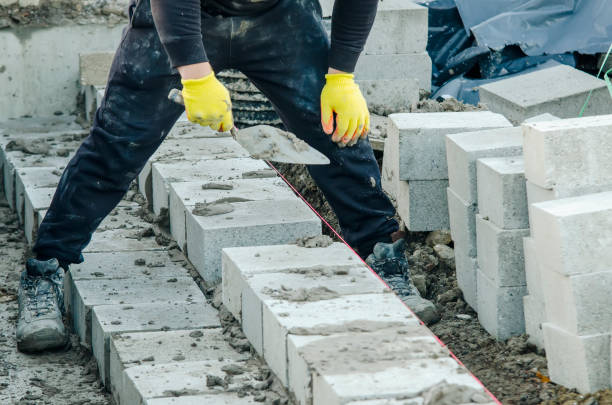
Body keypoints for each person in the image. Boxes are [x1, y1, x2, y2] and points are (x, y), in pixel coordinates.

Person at [16, 0, 437, 352]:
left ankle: (383, 257)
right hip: (185, 13)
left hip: (279, 14)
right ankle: (44, 270)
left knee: (335, 129)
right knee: (118, 143)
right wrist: (196, 74)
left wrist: (341, 76)